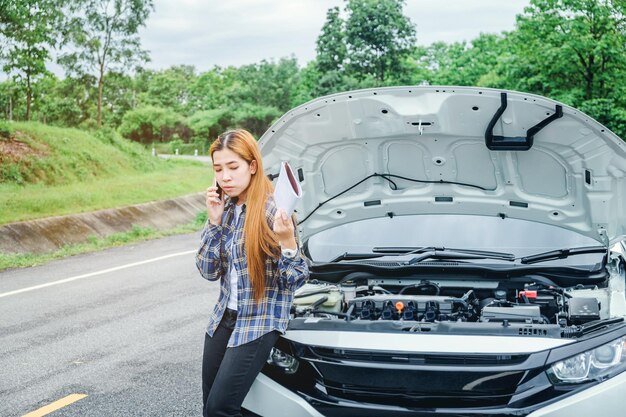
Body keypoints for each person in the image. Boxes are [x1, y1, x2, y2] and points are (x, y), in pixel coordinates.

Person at [195, 129, 309, 417]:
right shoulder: (227, 208)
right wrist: (214, 221)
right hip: (224, 318)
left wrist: (287, 242)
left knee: (222, 408)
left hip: (259, 322)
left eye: (233, 167)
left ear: (253, 166)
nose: (225, 177)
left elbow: (295, 280)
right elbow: (208, 271)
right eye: (218, 169)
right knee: (211, 405)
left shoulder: (274, 211)